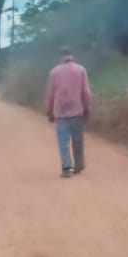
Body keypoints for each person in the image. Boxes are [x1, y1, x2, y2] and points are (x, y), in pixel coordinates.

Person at [44, 48, 92, 178]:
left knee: (63, 141)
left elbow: (51, 94)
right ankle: (79, 165)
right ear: (72, 55)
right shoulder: (81, 69)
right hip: (77, 110)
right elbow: (86, 92)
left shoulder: (54, 72)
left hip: (60, 111)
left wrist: (49, 111)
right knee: (78, 140)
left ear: (61, 57)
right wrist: (87, 108)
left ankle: (67, 168)